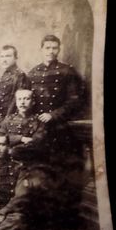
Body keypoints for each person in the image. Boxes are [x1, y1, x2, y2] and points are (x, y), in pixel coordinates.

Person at [28, 35, 85, 163]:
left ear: (59, 50)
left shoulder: (67, 71)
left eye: (54, 48)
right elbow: (26, 99)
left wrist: (53, 115)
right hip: (37, 125)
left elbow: (74, 100)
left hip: (59, 124)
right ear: (41, 49)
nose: (51, 51)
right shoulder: (33, 73)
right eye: (47, 48)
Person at [0, 89, 47, 162]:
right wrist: (21, 138)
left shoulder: (39, 120)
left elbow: (37, 141)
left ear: (33, 102)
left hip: (30, 159)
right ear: (16, 103)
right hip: (8, 160)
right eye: (19, 99)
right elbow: (0, 137)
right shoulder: (8, 119)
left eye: (26, 99)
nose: (22, 102)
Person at [0, 45, 30, 116]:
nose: (4, 60)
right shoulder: (5, 74)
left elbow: (17, 101)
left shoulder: (20, 75)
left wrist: (7, 119)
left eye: (8, 56)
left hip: (11, 118)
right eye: (2, 56)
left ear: (15, 58)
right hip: (1, 116)